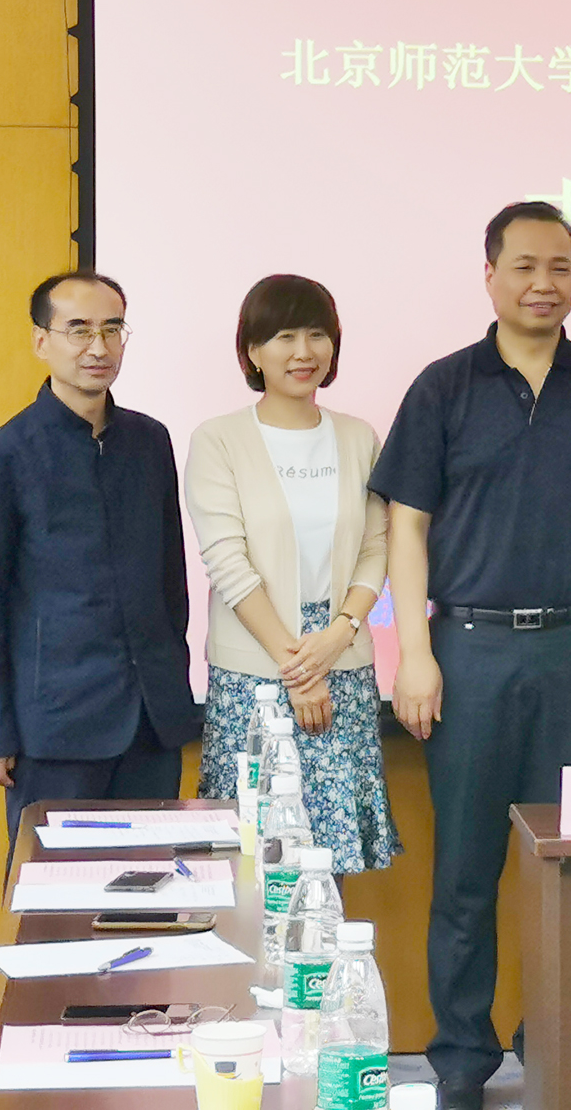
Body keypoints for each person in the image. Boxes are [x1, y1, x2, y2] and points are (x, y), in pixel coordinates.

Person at [370, 202, 571, 1110]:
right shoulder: (444, 386)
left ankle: (554, 1046)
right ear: (491, 275)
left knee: (569, 866)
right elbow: (407, 526)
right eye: (526, 266)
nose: (545, 283)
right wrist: (414, 650)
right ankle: (462, 1060)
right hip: (468, 648)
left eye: (561, 267)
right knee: (466, 870)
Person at [0, 271, 198, 846]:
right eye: (79, 330)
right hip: (54, 728)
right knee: (55, 891)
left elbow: (171, 580)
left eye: (112, 329)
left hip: (150, 722)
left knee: (155, 882)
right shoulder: (2, 455)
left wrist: (172, 684)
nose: (98, 347)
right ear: (42, 341)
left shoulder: (150, 440)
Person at [184, 275, 402, 873]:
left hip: (342, 664)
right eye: (284, 337)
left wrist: (340, 632)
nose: (303, 352)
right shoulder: (219, 439)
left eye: (316, 335)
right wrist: (299, 669)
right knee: (254, 864)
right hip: (255, 675)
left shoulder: (358, 437)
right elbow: (227, 561)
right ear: (253, 351)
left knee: (330, 866)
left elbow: (375, 547)